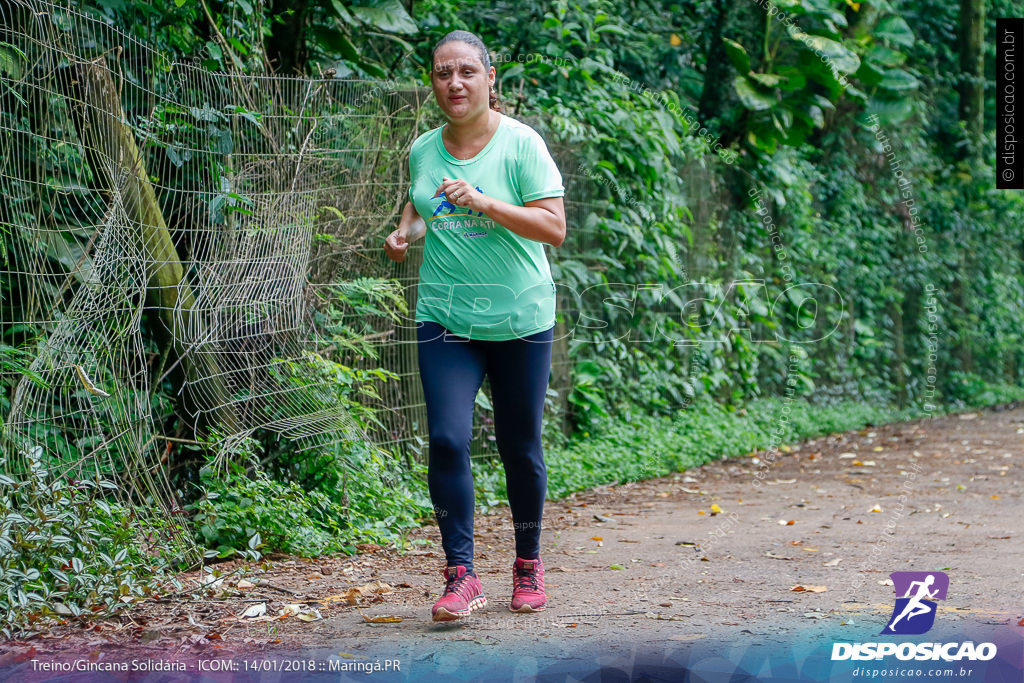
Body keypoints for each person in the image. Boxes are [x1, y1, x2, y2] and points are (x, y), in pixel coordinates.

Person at [384, 29, 566, 622]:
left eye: (466, 71)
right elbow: (419, 205)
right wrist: (404, 234)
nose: (454, 83)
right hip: (446, 316)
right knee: (446, 439)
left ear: (492, 79)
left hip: (519, 319)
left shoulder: (521, 145)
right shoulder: (422, 149)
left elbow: (553, 227)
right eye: (442, 73)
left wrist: (484, 202)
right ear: (432, 82)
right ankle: (461, 574)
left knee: (521, 448)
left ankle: (528, 563)